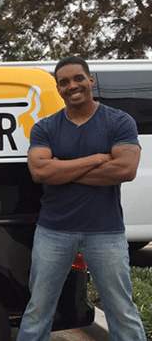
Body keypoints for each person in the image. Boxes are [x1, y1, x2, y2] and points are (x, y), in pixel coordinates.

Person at [15, 56, 146, 340]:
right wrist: (98, 159)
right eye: (63, 82)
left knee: (121, 310)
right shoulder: (45, 127)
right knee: (38, 310)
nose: (71, 86)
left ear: (90, 80)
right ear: (58, 88)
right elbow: (39, 171)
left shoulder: (118, 121)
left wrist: (62, 169)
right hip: (53, 230)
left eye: (77, 78)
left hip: (105, 230)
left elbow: (126, 168)